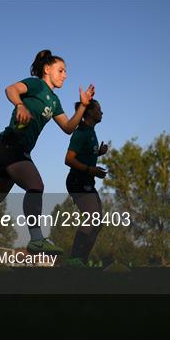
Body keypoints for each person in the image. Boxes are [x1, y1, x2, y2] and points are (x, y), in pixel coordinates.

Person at [0, 49, 95, 255]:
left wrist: (82, 106)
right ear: (47, 69)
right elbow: (10, 89)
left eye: (66, 72)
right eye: (61, 70)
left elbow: (68, 128)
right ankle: (36, 239)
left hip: (13, 151)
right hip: (10, 145)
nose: (65, 75)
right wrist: (19, 104)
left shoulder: (54, 101)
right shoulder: (36, 84)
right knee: (36, 185)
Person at [63, 100, 107, 267]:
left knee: (98, 222)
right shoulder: (81, 132)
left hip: (87, 180)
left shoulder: (91, 132)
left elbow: (84, 155)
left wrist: (99, 153)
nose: (102, 113)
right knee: (92, 217)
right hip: (77, 180)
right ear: (89, 112)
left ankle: (80, 259)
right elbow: (68, 159)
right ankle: (74, 258)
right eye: (99, 110)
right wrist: (90, 169)